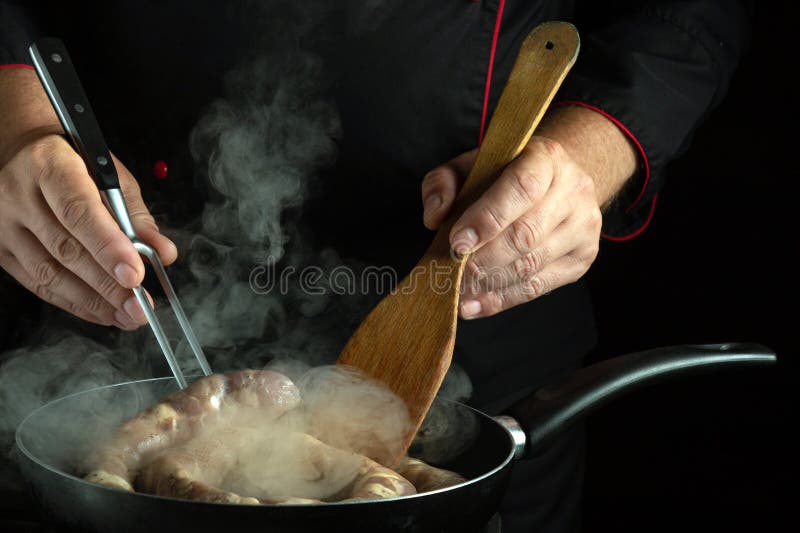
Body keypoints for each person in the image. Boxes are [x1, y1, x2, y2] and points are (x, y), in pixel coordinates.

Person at [0, 1, 751, 531]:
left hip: (480, 323)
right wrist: (13, 112)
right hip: (113, 283)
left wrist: (589, 154)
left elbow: (690, 16)